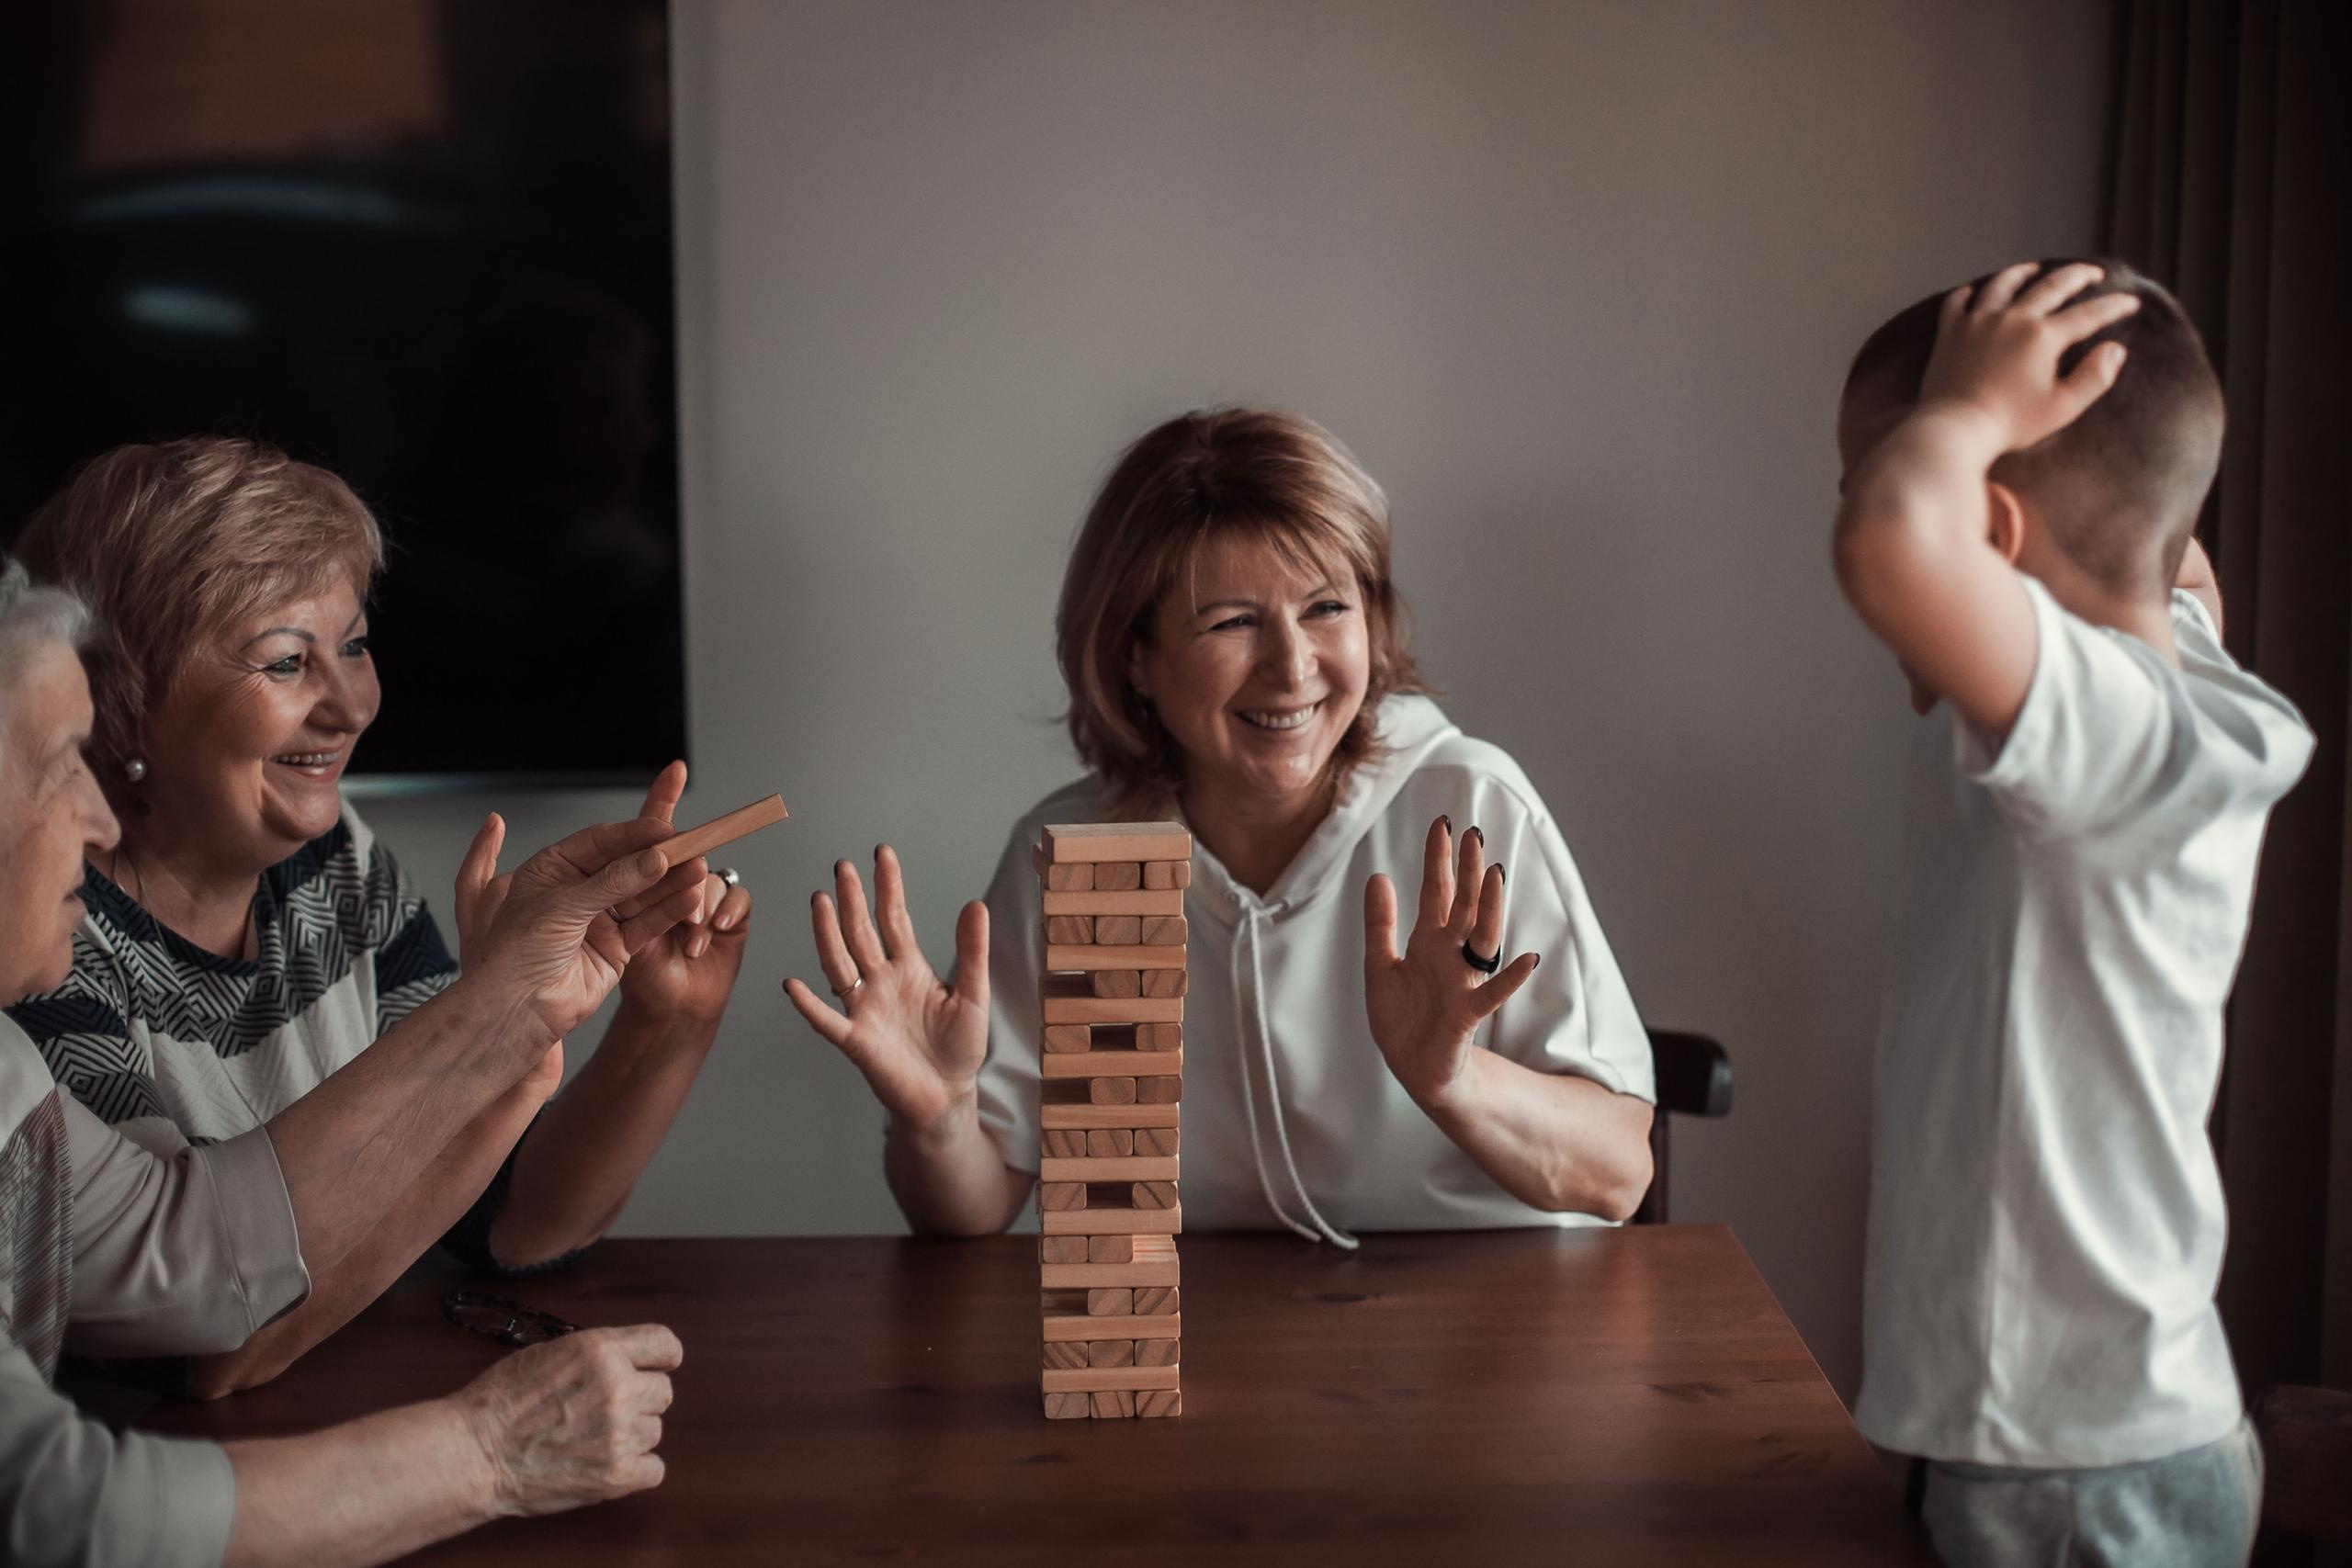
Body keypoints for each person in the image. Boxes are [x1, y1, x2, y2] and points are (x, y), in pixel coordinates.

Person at [788, 408, 1655, 1243]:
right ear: (1137, 656)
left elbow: (1619, 1172)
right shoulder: (1085, 859)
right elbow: (973, 1210)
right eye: (1233, 622)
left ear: (1374, 619)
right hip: (1202, 1346)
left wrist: (1455, 1080)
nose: (1292, 667)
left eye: (1326, 608)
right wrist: (940, 1119)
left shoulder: (1468, 806)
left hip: (1500, 1332)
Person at [6, 436, 751, 1393]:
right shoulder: (39, 937)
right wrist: (499, 1024)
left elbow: (506, 1219)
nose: (354, 704)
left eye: (353, 645)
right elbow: (210, 1345)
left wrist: (666, 1024)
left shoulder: (333, 861)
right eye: (287, 662)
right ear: (122, 702)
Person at [0, 558, 691, 1566]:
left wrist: (526, 1025)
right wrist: (488, 1454)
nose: (97, 813)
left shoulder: (331, 867)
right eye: (63, 764)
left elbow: (181, 1248)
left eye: (355, 644)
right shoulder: (61, 963)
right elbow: (88, 1494)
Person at [1830, 260, 2308, 1565]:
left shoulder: (2109, 738)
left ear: (1986, 531)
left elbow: (1891, 544)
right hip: (2075, 1440)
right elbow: (2167, 548)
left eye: (1878, 466)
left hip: (2065, 1472)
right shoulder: (2182, 677)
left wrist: (1972, 408)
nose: (1862, 502)